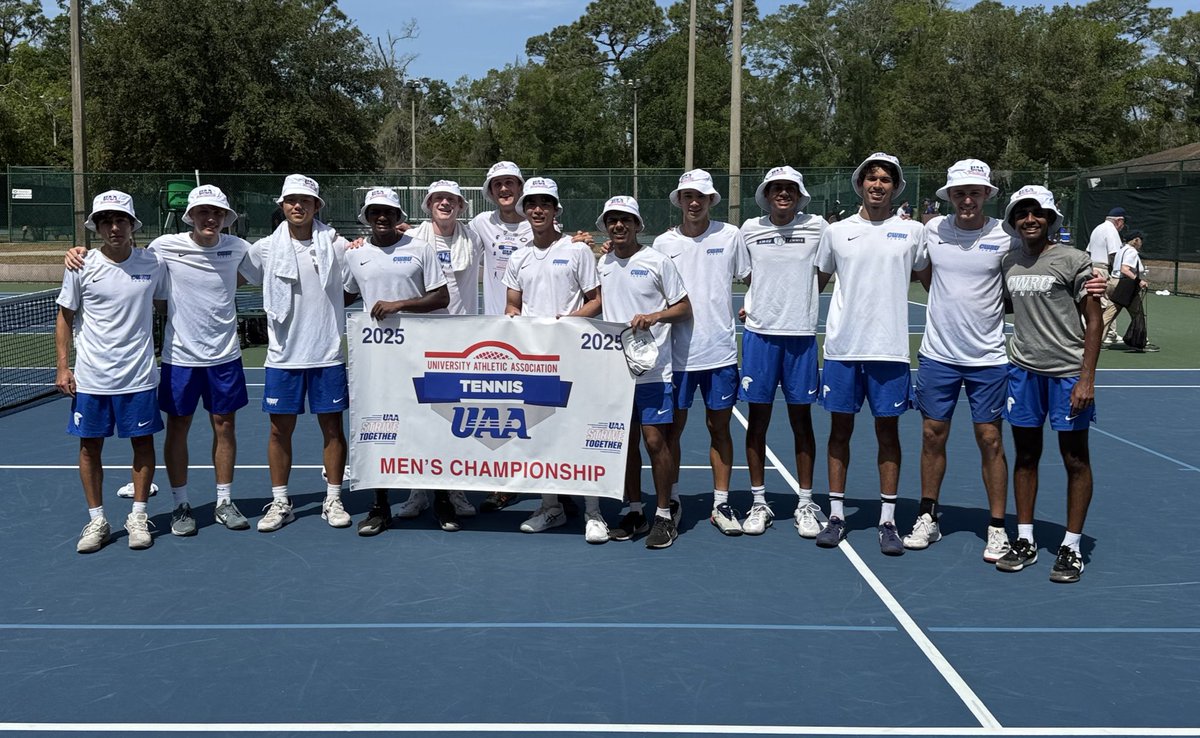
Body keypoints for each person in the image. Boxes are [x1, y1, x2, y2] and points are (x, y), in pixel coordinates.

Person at [64, 185, 258, 535]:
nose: (209, 218)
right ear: (191, 217)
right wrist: (78, 252)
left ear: (227, 218)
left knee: (225, 426)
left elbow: (257, 271)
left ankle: (224, 502)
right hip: (179, 357)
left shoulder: (239, 248)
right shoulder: (162, 249)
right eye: (202, 212)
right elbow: (128, 270)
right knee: (178, 427)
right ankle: (180, 504)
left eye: (216, 212)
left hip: (225, 356)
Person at [813, 152, 926, 555]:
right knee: (839, 432)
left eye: (885, 179)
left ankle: (888, 521)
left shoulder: (912, 233)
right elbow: (816, 284)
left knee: (887, 433)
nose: (877, 185)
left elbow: (935, 284)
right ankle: (837, 515)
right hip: (843, 349)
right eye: (871, 178)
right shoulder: (836, 231)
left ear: (895, 187)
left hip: (890, 352)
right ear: (860, 184)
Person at [901, 160, 1012, 562]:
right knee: (932, 435)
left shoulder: (1005, 235)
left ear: (986, 195)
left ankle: (997, 527)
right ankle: (927, 516)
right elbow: (926, 275)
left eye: (975, 192)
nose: (967, 199)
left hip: (989, 358)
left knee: (991, 439)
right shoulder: (933, 230)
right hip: (938, 356)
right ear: (949, 197)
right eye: (960, 193)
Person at [997, 185, 1101, 584]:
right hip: (1022, 372)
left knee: (1075, 459)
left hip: (1067, 374)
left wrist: (1086, 377)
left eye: (1037, 213)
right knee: (1025, 456)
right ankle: (1025, 539)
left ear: (1051, 218)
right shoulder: (1009, 262)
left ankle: (1071, 546)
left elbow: (1094, 320)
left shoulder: (1074, 260)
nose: (1030, 219)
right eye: (1022, 213)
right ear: (1014, 220)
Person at [56, 191, 168, 552]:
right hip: (91, 378)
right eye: (107, 221)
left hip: (138, 376)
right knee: (89, 448)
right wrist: (62, 366)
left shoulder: (152, 264)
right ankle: (97, 520)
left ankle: (138, 516)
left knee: (143, 444)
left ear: (132, 226)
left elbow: (169, 304)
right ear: (98, 227)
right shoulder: (79, 265)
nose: (114, 227)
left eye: (121, 221)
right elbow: (65, 316)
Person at [242, 174, 351, 533]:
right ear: (283, 205)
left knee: (333, 430)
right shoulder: (263, 249)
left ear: (317, 206)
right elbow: (222, 267)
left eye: (305, 201)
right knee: (278, 432)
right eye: (291, 200)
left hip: (327, 354)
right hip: (283, 357)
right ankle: (280, 501)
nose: (298, 206)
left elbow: (368, 266)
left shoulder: (337, 245)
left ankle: (333, 498)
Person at [343, 187, 451, 534]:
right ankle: (379, 506)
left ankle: (443, 501)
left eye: (388, 211)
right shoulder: (354, 255)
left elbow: (441, 297)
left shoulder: (421, 248)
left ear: (398, 215)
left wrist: (398, 304)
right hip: (377, 358)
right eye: (375, 212)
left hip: (420, 354)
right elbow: (345, 294)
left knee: (431, 426)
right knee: (379, 429)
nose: (382, 217)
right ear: (367, 216)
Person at [501, 177, 602, 536]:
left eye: (545, 203)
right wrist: (515, 323)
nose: (538, 209)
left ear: (556, 210)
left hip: (573, 356)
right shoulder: (519, 257)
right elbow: (512, 305)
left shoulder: (577, 251)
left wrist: (566, 324)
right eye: (532, 204)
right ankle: (550, 506)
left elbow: (596, 300)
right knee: (540, 432)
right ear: (524, 210)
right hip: (533, 361)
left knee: (579, 431)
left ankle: (593, 511)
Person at [653, 169, 749, 533]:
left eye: (701, 197)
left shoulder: (730, 235)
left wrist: (751, 305)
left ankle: (722, 505)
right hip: (673, 356)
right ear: (679, 201)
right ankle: (671, 499)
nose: (694, 202)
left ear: (711, 200)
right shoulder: (663, 244)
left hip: (719, 353)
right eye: (687, 196)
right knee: (671, 432)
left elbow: (752, 277)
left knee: (719, 428)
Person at [596, 196, 692, 548]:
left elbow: (684, 307)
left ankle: (665, 515)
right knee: (625, 445)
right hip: (615, 372)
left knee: (655, 440)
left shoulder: (656, 261)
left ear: (638, 225)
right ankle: (635, 509)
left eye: (625, 220)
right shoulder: (603, 263)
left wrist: (654, 316)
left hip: (655, 370)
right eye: (612, 220)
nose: (618, 225)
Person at [735, 166, 826, 539]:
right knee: (758, 420)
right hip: (759, 336)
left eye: (790, 188)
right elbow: (747, 275)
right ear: (767, 194)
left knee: (801, 422)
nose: (783, 194)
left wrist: (800, 300)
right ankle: (759, 501)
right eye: (777, 189)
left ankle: (805, 502)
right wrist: (766, 300)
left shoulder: (820, 227)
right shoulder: (749, 230)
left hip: (801, 337)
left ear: (799, 193)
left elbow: (828, 270)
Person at [388, 180, 485, 523]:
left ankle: (455, 489)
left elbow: (516, 240)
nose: (445, 204)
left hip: (463, 341)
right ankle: (418, 490)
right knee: (420, 418)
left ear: (461, 205)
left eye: (451, 200)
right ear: (429, 205)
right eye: (438, 199)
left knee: (454, 418)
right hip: (422, 340)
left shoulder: (475, 236)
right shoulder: (412, 238)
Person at [1100, 230, 1158, 353]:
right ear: (1136, 240)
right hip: (1125, 286)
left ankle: (1095, 340)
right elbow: (1125, 269)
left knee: (1109, 314)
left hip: (1113, 283)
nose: (1142, 242)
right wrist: (1139, 281)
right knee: (1138, 314)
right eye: (1141, 240)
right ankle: (1141, 342)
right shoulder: (1131, 252)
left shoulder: (1122, 249)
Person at [1087, 207, 1126, 345]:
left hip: (1092, 267)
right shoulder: (1111, 230)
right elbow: (1114, 254)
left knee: (1096, 301)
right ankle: (1109, 334)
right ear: (1119, 221)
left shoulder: (1097, 228)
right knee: (1109, 303)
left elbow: (1089, 250)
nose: (1123, 226)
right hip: (1102, 269)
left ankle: (1103, 332)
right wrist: (1118, 273)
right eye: (1123, 222)